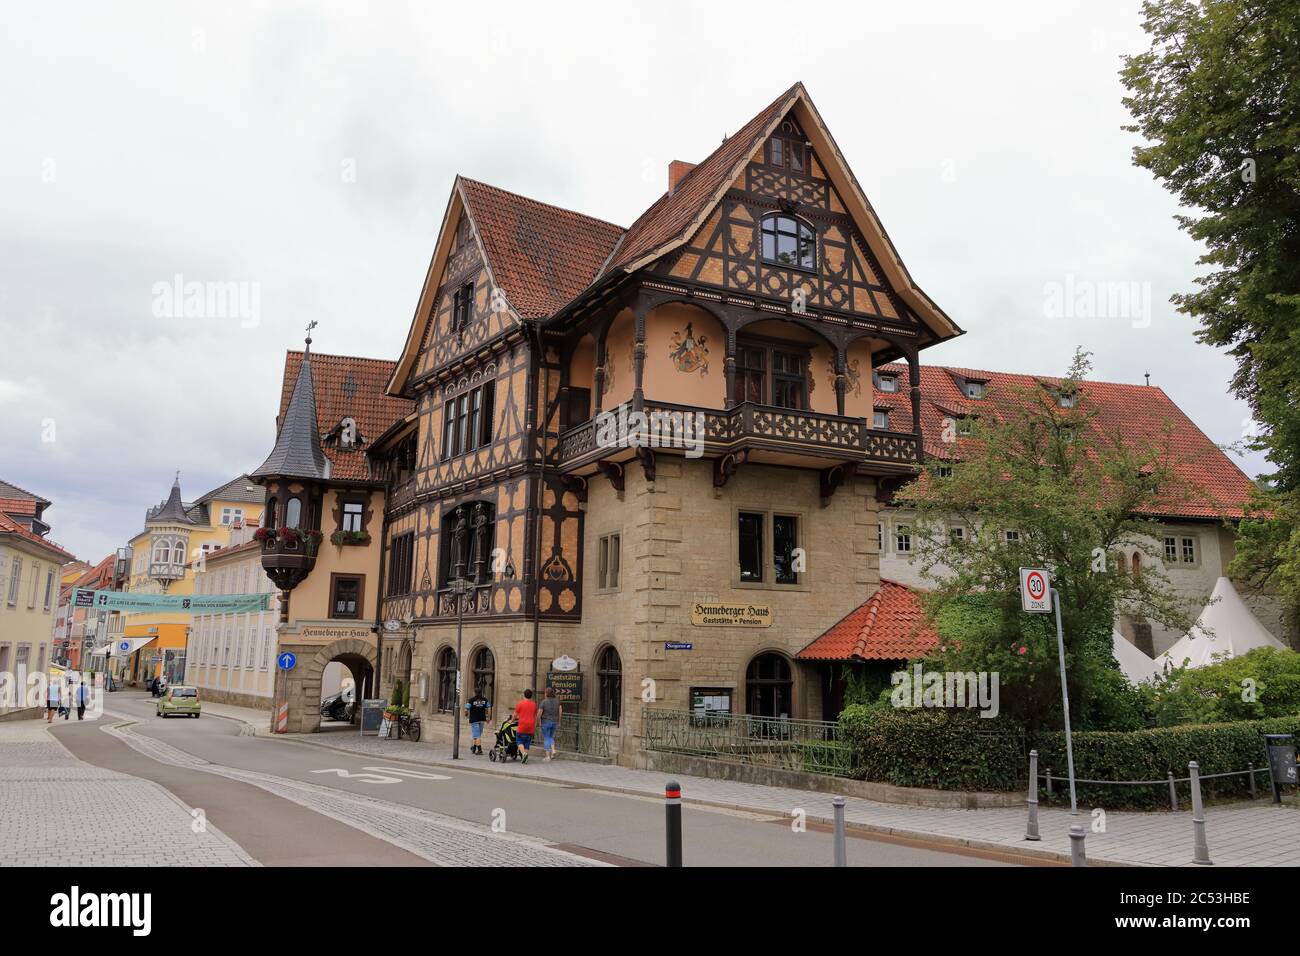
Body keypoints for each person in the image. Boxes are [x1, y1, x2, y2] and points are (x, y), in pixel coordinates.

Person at [513, 688, 538, 764]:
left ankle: (523, 754)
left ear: (524, 695)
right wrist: (535, 725)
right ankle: (525, 756)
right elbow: (535, 716)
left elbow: (515, 714)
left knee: (519, 740)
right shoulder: (534, 704)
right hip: (531, 726)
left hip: (522, 725)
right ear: (531, 696)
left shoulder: (520, 704)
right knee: (527, 742)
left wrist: (511, 721)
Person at [464, 688, 491, 755]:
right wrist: (488, 717)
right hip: (482, 719)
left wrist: (466, 714)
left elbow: (466, 709)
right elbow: (489, 708)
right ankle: (474, 747)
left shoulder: (471, 700)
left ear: (474, 693)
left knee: (477, 735)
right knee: (477, 734)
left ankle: (479, 750)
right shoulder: (485, 700)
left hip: (474, 720)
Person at [539, 686, 562, 762]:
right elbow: (560, 712)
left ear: (546, 693)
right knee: (551, 737)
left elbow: (539, 713)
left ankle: (547, 756)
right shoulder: (557, 701)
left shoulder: (544, 702)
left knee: (546, 738)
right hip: (555, 722)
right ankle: (553, 750)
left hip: (545, 722)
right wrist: (559, 721)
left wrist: (538, 721)